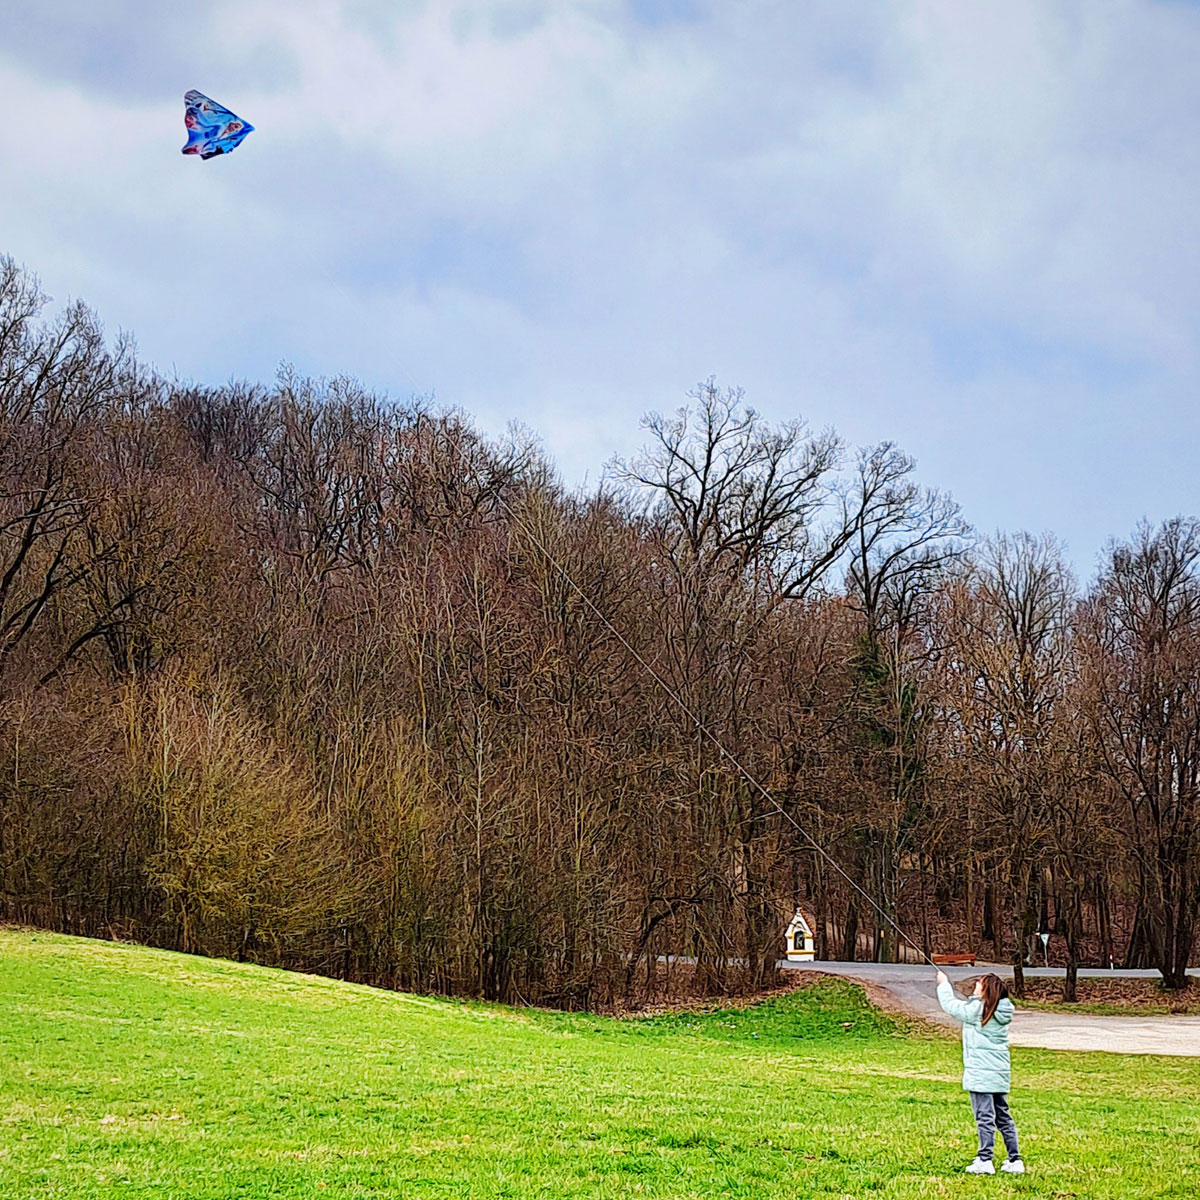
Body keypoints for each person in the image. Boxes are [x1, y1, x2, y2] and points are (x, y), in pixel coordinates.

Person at [936, 969, 1024, 1176]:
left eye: (980, 983)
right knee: (1003, 1116)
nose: (975, 984)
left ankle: (985, 1159)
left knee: (984, 1116)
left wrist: (943, 984)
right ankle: (1015, 1159)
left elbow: (951, 1006)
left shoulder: (978, 1010)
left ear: (986, 991)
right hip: (998, 1075)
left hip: (981, 1075)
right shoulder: (997, 1010)